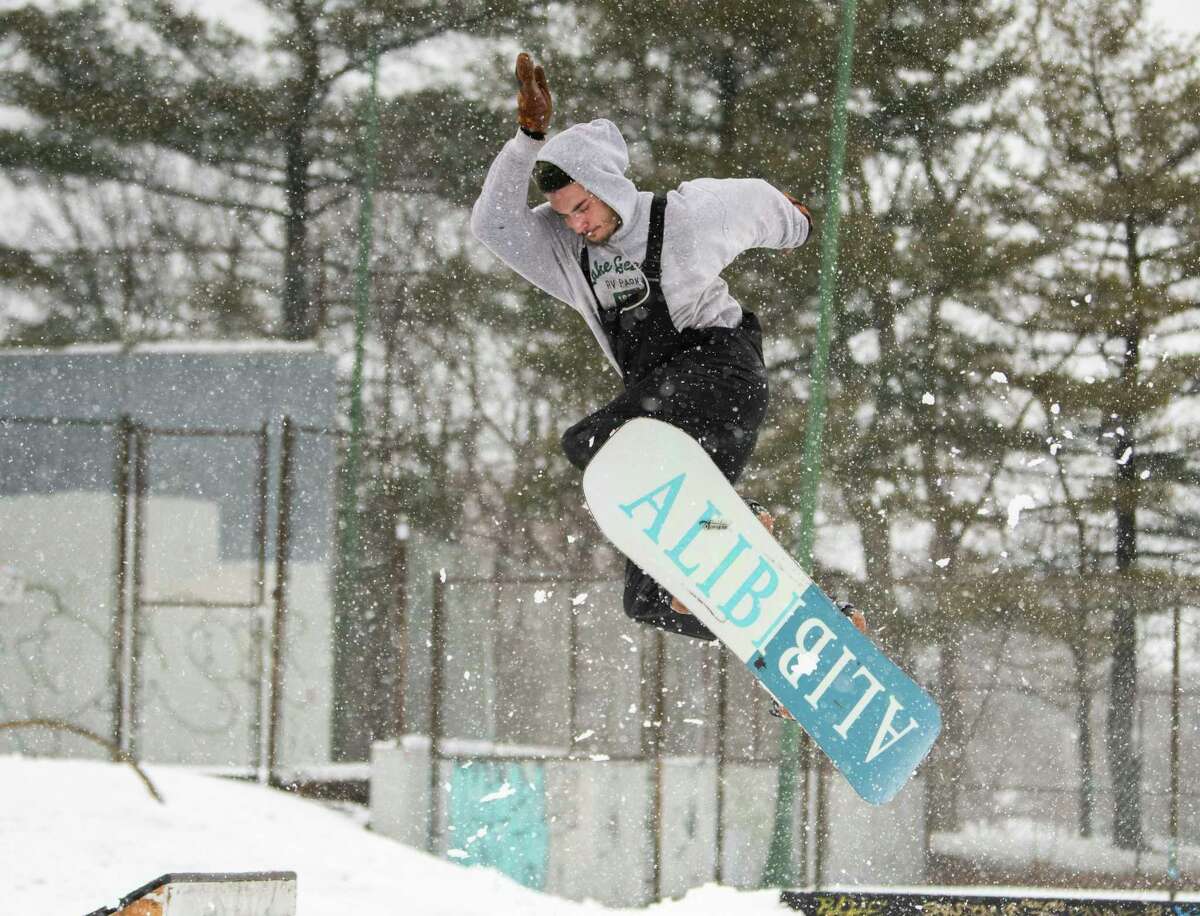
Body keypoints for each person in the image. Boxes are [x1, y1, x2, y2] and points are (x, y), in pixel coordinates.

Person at [471, 52, 862, 664]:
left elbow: (758, 203)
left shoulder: (682, 217)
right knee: (648, 598)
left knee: (593, 439)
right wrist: (527, 139)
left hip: (720, 376)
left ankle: (733, 520)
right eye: (565, 213)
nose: (576, 224)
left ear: (606, 189)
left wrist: (800, 225)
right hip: (666, 419)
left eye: (583, 208)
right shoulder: (563, 253)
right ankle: (794, 646)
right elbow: (492, 225)